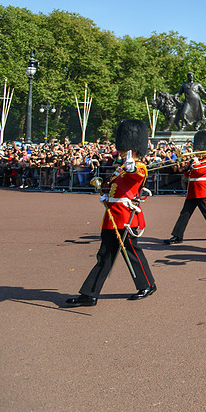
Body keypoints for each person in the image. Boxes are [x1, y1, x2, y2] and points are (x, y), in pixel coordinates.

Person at [66, 120, 156, 306]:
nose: (121, 151)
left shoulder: (138, 166)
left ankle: (147, 284)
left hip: (125, 217)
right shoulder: (120, 169)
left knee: (131, 251)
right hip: (112, 216)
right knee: (105, 254)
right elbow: (116, 187)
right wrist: (105, 196)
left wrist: (130, 165)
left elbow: (137, 175)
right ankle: (90, 294)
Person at [165, 130, 206, 244]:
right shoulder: (196, 161)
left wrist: (195, 163)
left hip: (201, 190)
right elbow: (188, 174)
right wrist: (186, 166)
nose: (194, 151)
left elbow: (200, 172)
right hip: (192, 190)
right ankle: (177, 235)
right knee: (185, 213)